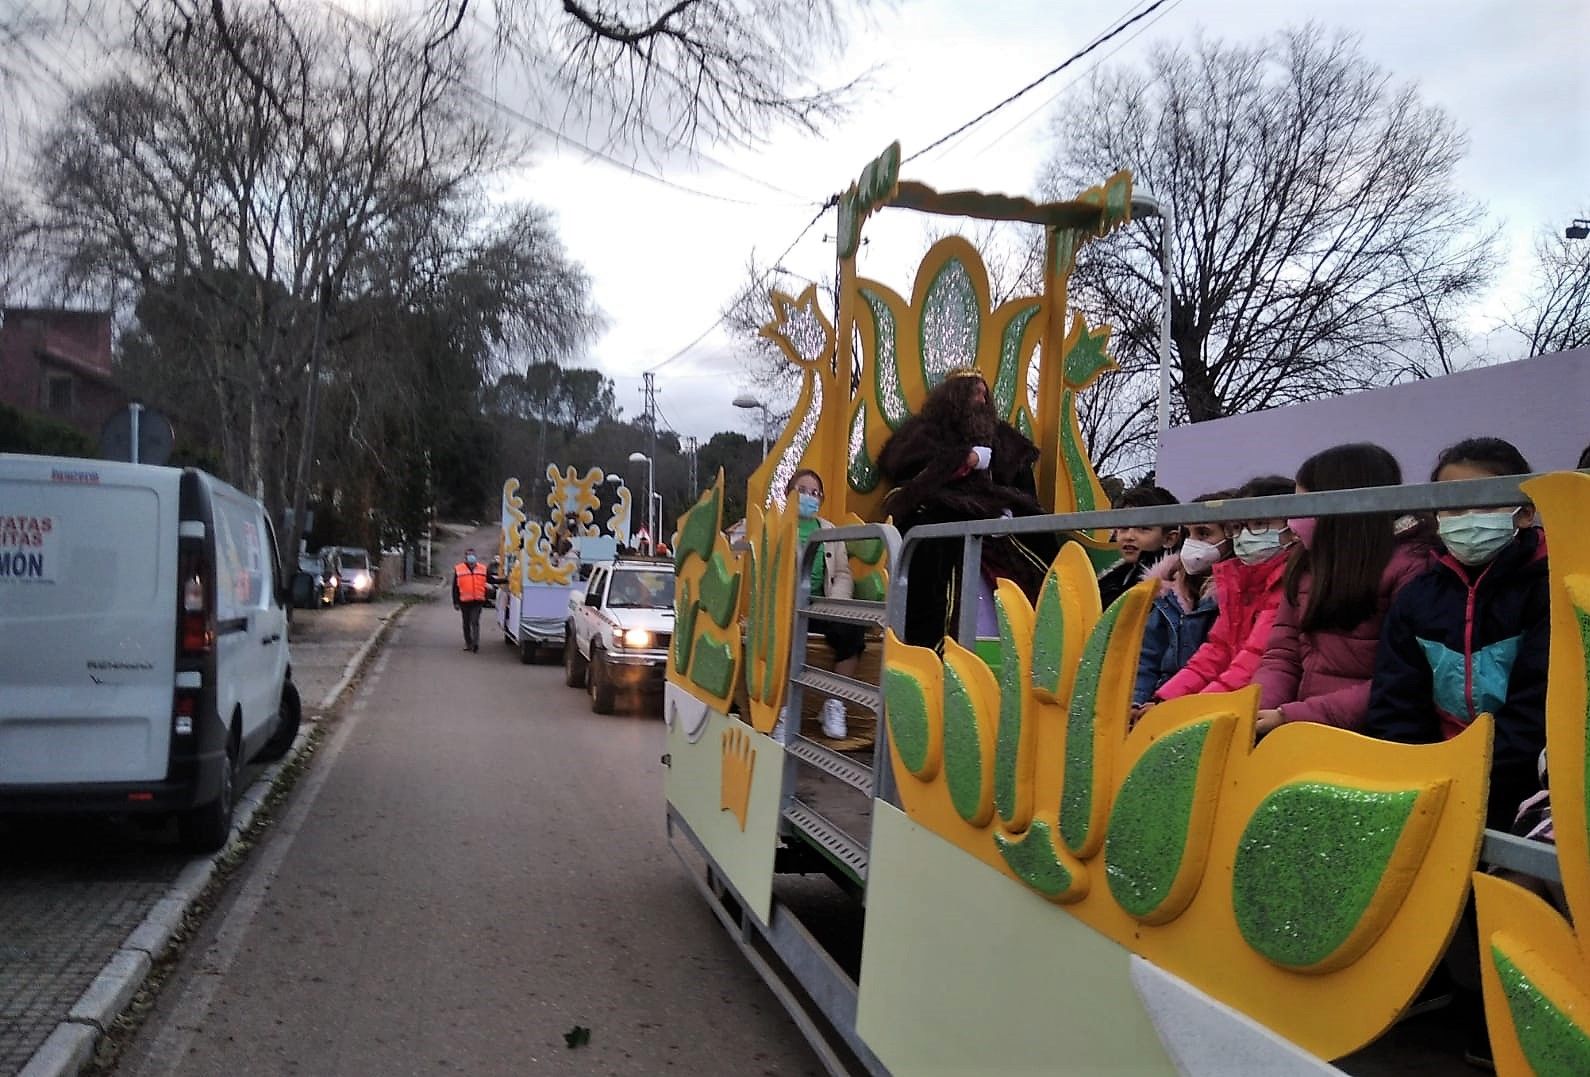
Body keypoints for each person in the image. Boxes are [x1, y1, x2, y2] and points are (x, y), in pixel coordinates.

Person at [1364, 437, 1547, 831]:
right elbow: (1395, 704)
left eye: (1483, 503)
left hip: (1524, 788)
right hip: (1432, 784)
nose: (1467, 518)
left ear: (1525, 513)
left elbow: (1539, 709)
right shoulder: (1417, 598)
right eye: (1454, 506)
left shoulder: (1548, 590)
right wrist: (1420, 775)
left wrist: (1469, 775)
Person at [1252, 443, 1433, 737]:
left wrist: (1292, 717)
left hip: (1371, 737)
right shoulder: (1305, 563)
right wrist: (1255, 711)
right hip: (1298, 730)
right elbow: (1282, 655)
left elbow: (1401, 677)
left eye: (1305, 505)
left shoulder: (1412, 567)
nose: (1294, 520)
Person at [877, 369, 1058, 649]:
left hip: (1000, 538)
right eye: (975, 392)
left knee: (1040, 547)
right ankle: (937, 651)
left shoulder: (1005, 442)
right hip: (950, 529)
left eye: (985, 393)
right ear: (956, 395)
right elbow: (913, 482)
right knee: (933, 555)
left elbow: (1026, 494)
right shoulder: (926, 434)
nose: (982, 399)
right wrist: (966, 460)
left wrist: (1010, 513)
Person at [1138, 475, 1295, 717]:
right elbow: (1215, 652)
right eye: (1239, 527)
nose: (1245, 535)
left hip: (1256, 712)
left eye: (1260, 523)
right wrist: (1166, 701)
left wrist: (1187, 711)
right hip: (1224, 706)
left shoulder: (1289, 584)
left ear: (1294, 525)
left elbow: (1253, 659)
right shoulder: (1239, 583)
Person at [1132, 491, 1234, 708]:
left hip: (1200, 705)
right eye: (1189, 534)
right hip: (1157, 700)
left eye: (1204, 533)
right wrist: (1135, 703)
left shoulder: (1233, 598)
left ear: (1232, 537)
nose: (1192, 542)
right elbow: (1146, 658)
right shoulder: (1167, 592)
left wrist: (1167, 706)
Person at [789, 469, 866, 740]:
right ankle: (782, 710)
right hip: (786, 607)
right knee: (783, 633)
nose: (809, 497)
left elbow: (843, 572)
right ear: (790, 493)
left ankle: (834, 703)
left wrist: (836, 604)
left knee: (853, 631)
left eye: (815, 493)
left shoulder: (829, 530)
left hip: (821, 605)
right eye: (802, 491)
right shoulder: (778, 526)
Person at [1098, 485, 1179, 608]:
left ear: (1169, 538)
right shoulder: (1117, 577)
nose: (1129, 536)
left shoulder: (1169, 590)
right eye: (1123, 527)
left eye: (1143, 528)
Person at [451, 547, 490, 653]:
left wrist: (505, 580)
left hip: (477, 601)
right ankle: (468, 643)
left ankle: (476, 643)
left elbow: (491, 579)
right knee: (466, 623)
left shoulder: (482, 568)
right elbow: (455, 587)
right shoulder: (459, 569)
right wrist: (455, 602)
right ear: (465, 557)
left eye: (472, 554)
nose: (471, 556)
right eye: (469, 555)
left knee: (475, 621)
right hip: (464, 601)